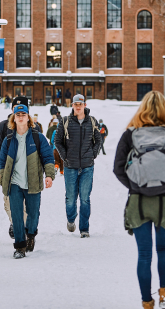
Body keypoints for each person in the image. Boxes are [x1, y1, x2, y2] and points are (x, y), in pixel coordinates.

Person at [113, 90, 165, 309]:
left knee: (144, 254)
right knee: (164, 250)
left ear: (142, 108)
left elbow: (118, 168)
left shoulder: (131, 134)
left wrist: (136, 186)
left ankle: (146, 303)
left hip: (138, 201)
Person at [0, 104, 55, 258]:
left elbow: (48, 157)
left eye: (24, 114)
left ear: (28, 118)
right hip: (14, 182)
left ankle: (30, 235)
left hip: (33, 182)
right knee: (16, 215)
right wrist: (3, 179)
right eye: (18, 115)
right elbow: (2, 162)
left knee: (33, 214)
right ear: (14, 118)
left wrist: (49, 175)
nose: (21, 117)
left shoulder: (38, 137)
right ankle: (19, 247)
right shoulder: (8, 140)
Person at [54, 94, 103, 237]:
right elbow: (58, 141)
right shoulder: (65, 121)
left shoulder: (92, 121)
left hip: (87, 166)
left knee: (85, 198)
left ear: (85, 105)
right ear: (73, 106)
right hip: (70, 166)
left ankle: (84, 229)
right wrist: (65, 157)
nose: (78, 106)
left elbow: (98, 141)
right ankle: (70, 220)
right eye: (76, 104)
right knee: (70, 198)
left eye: (80, 104)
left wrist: (93, 154)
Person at [0, 96, 30, 239]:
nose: (18, 112)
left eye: (22, 108)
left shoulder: (34, 127)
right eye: (15, 108)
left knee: (26, 203)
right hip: (8, 173)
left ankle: (23, 227)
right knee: (8, 201)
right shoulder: (3, 127)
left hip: (27, 173)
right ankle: (15, 222)